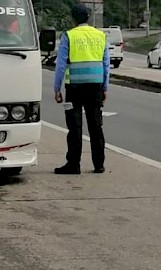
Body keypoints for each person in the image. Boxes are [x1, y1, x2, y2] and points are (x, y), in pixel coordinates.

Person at [53, 4, 110, 174]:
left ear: (73, 18)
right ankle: (99, 164)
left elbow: (61, 65)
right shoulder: (101, 35)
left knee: (75, 127)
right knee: (96, 126)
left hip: (75, 88)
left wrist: (57, 88)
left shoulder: (69, 36)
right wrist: (105, 87)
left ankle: (73, 164)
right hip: (95, 87)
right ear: (89, 18)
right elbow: (106, 64)